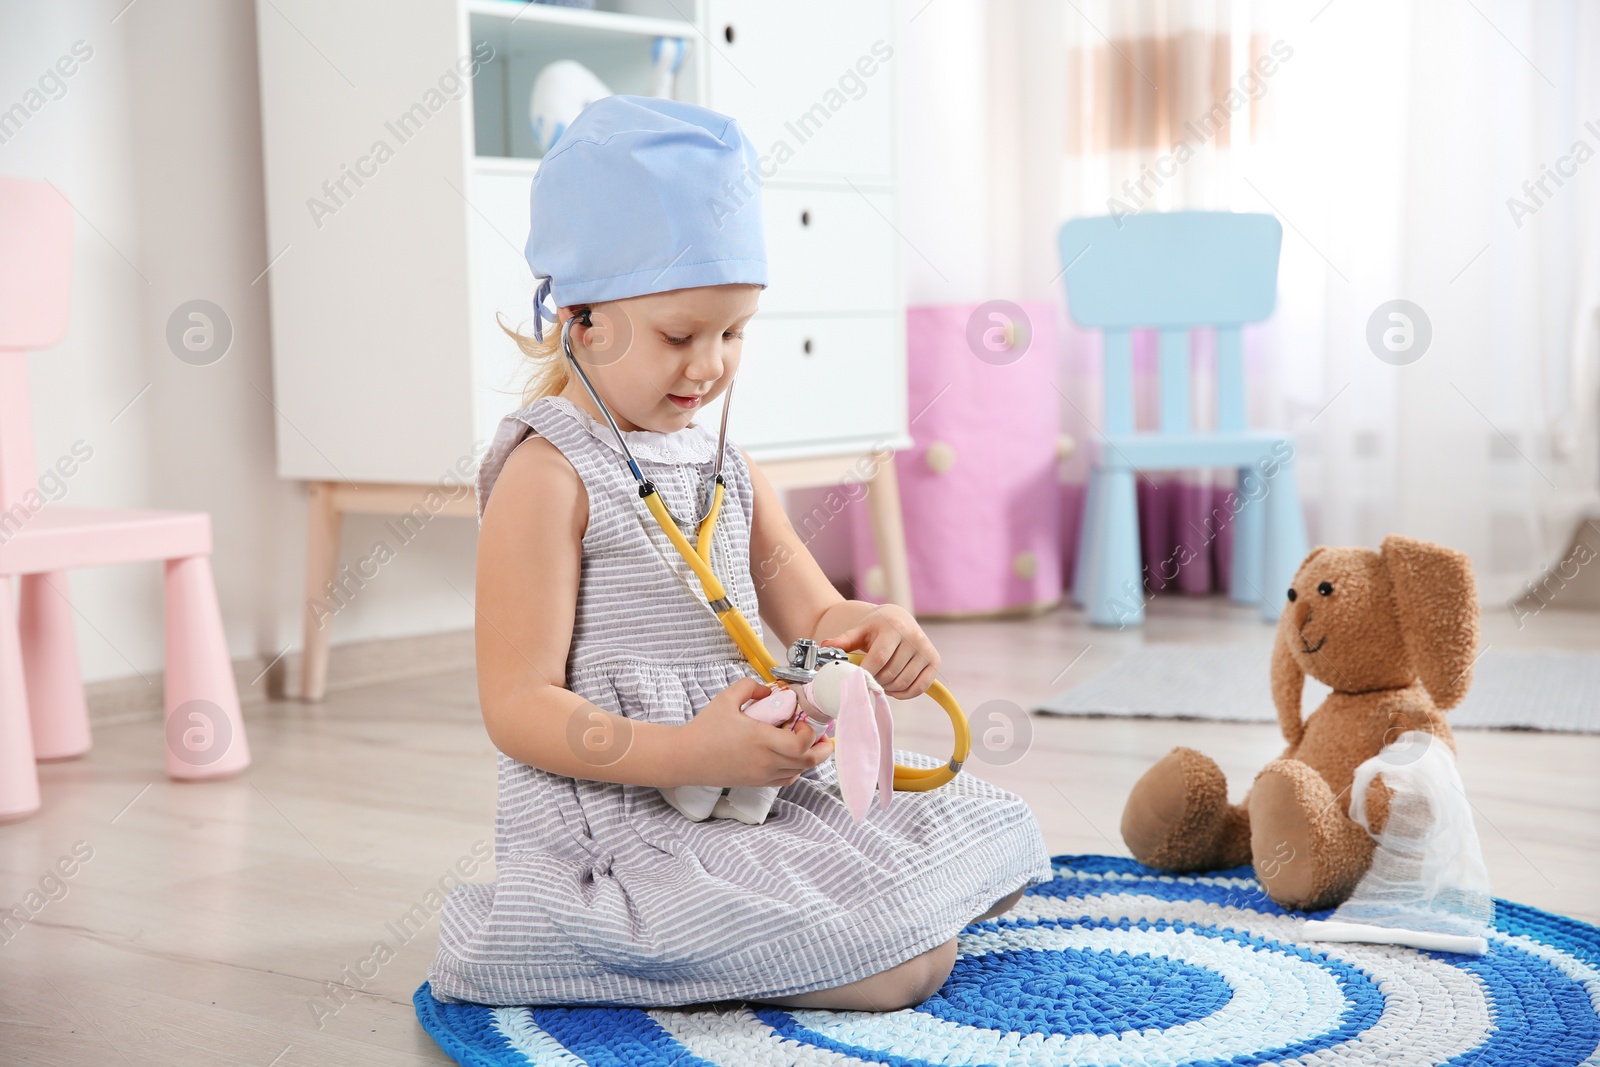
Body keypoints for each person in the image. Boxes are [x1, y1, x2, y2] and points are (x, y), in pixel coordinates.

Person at [426, 94, 1052, 1012]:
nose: (710, 364)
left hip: (749, 789)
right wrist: (685, 750)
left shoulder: (724, 463)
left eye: (734, 332)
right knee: (902, 969)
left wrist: (878, 630)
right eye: (682, 334)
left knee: (999, 839)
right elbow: (517, 707)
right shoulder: (548, 474)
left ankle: (827, 919)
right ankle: (671, 935)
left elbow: (816, 614)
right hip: (625, 820)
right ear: (580, 317)